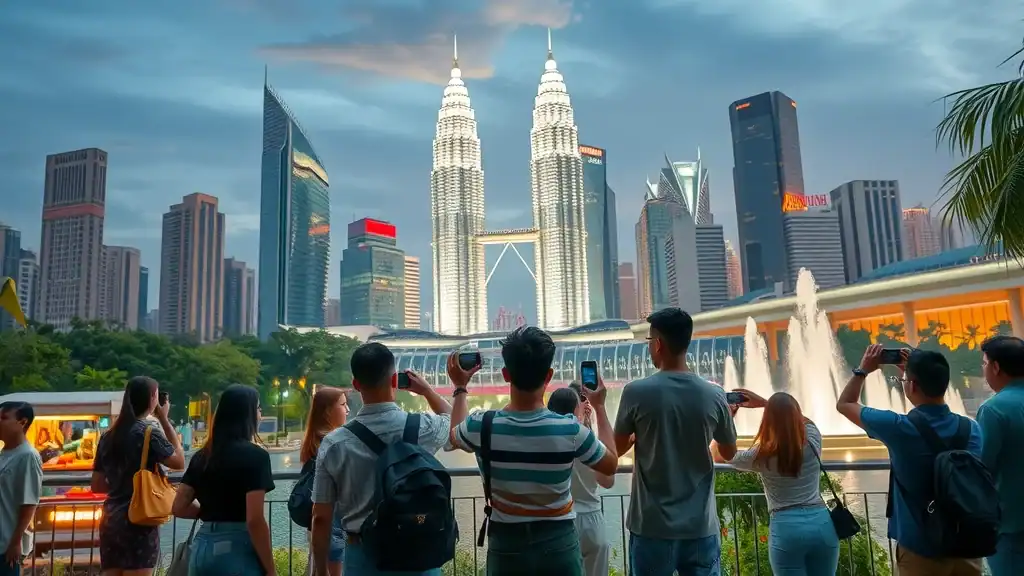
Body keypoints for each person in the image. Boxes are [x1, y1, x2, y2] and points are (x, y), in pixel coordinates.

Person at [451, 326, 619, 576]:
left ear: (506, 374)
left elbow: (454, 434)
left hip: (506, 547)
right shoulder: (570, 430)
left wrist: (460, 388)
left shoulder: (482, 425)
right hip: (559, 545)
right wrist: (600, 407)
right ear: (549, 375)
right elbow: (610, 466)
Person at [311, 342, 464, 576]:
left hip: (363, 558)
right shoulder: (424, 428)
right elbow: (456, 425)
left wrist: (321, 572)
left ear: (355, 385)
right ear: (395, 381)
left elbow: (321, 518)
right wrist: (428, 392)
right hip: (419, 555)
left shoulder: (334, 444)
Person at [836, 344, 984, 575]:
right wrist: (911, 375)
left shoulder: (898, 428)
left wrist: (862, 371)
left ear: (912, 386)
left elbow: (845, 404)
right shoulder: (972, 429)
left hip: (920, 547)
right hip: (968, 545)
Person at [613, 308, 737, 576]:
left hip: (651, 528)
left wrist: (637, 436)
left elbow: (617, 449)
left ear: (658, 344)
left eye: (649, 342)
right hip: (700, 528)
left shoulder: (636, 392)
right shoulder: (714, 395)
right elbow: (728, 452)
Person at [713, 390, 839, 575]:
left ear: (768, 420)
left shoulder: (761, 455)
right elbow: (804, 421)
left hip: (786, 528)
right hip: (822, 524)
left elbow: (720, 455)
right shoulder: (813, 440)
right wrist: (765, 402)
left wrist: (728, 417)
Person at [172, 384, 275, 575]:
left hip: (202, 547)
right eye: (258, 409)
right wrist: (271, 569)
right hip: (237, 548)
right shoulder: (256, 457)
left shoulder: (202, 456)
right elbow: (254, 519)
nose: (260, 414)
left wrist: (210, 512)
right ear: (248, 415)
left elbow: (178, 506)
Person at [92, 376, 185, 576]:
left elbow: (97, 485)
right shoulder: (149, 432)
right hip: (139, 519)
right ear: (153, 399)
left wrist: (121, 485)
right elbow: (178, 462)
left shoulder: (108, 436)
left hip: (111, 519)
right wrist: (164, 420)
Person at [546, 385, 615, 576]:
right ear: (578, 409)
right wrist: (593, 417)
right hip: (592, 521)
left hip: (560, 520)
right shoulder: (589, 442)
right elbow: (607, 480)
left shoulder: (546, 442)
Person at [977, 335, 1024, 575]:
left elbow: (983, 468)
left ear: (996, 367)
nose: (984, 370)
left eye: (984, 364)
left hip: (1011, 525)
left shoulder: (994, 409)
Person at [299, 387, 350, 576]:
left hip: (318, 527)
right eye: (343, 405)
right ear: (328, 411)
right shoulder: (331, 444)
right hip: (334, 526)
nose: (347, 410)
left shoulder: (314, 442)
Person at [0, 402, 43, 576]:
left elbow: (29, 503)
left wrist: (16, 541)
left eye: (3, 418)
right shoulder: (5, 453)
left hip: (6, 546)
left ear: (22, 422)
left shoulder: (27, 456)